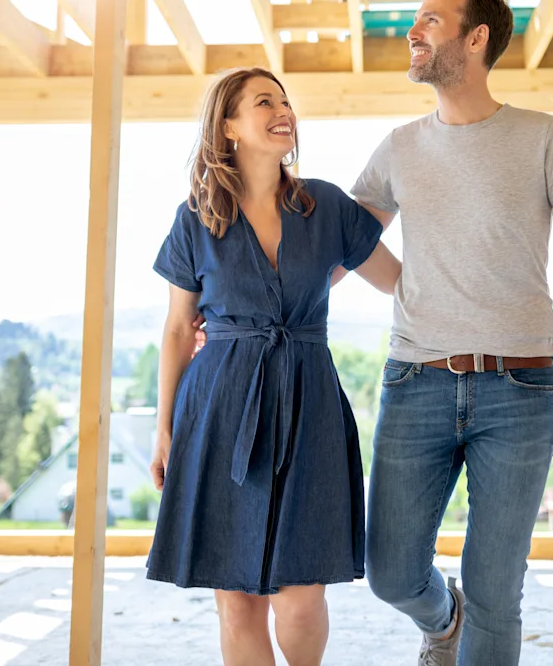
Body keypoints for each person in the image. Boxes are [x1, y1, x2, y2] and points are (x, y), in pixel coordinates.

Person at [346, 0, 553, 665]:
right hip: (414, 381)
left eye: (431, 21)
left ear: (476, 39)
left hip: (522, 391)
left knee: (497, 591)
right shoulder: (398, 146)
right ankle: (443, 622)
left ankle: (470, 618)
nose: (413, 33)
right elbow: (344, 246)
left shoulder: (544, 137)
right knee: (388, 572)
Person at [146, 66, 401, 666]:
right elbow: (180, 329)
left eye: (285, 100)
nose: (283, 109)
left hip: (309, 403)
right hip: (217, 408)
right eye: (264, 101)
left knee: (301, 598)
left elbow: (398, 282)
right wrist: (164, 429)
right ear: (229, 126)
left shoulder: (326, 204)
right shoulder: (195, 218)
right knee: (235, 602)